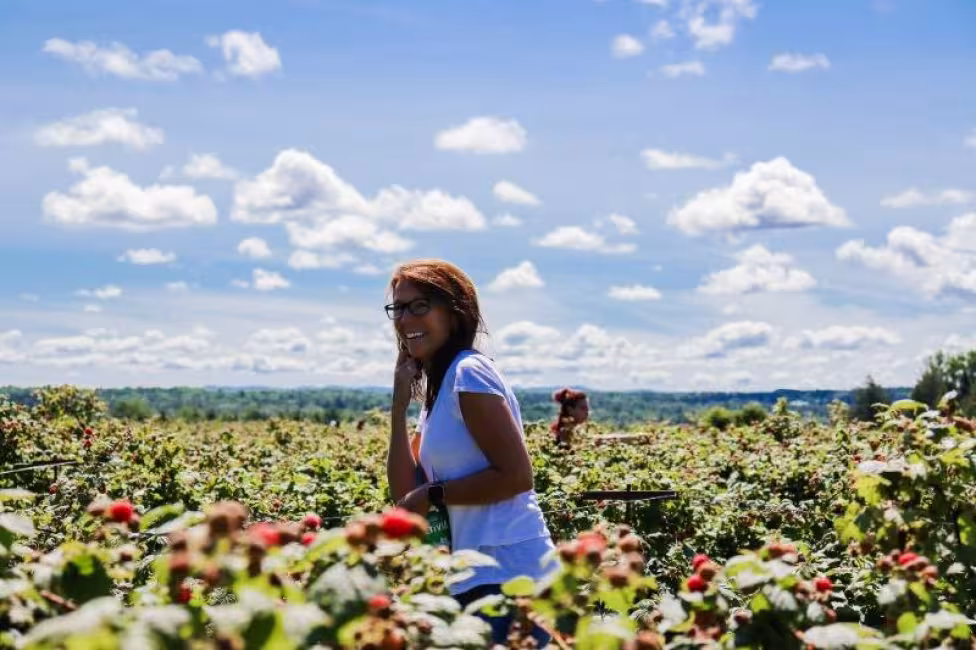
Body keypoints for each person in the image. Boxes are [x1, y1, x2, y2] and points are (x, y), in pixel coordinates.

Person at [384, 258, 556, 647]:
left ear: (455, 312)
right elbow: (403, 496)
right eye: (399, 307)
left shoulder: (469, 372)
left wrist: (434, 494)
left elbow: (516, 476)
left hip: (509, 576)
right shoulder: (439, 392)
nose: (405, 318)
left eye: (420, 306)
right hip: (470, 577)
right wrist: (398, 409)